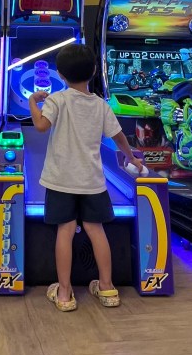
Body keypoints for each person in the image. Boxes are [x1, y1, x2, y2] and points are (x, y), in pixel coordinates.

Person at [28, 43, 143, 312]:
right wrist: (132, 158)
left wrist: (33, 102)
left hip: (60, 180)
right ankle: (107, 288)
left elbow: (41, 126)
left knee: (65, 232)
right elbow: (118, 137)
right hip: (92, 181)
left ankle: (65, 293)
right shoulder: (101, 105)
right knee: (96, 230)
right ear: (93, 71)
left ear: (60, 74)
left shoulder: (57, 99)